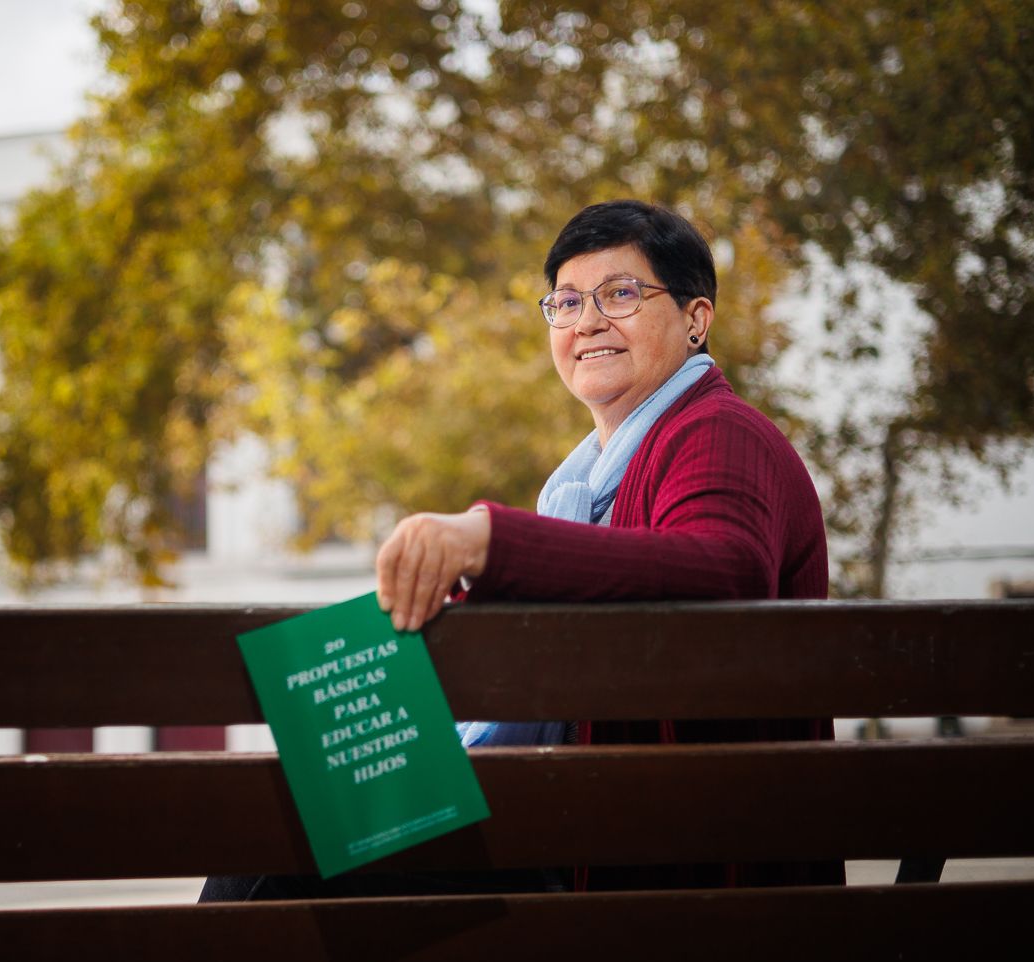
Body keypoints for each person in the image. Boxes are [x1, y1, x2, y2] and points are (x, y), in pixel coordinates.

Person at [202, 199, 840, 901]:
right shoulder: (591, 482)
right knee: (310, 806)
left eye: (621, 294)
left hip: (663, 871)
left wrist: (489, 539)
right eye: (566, 303)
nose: (588, 321)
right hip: (603, 837)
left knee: (285, 836)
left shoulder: (719, 432)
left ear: (696, 319)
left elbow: (723, 571)